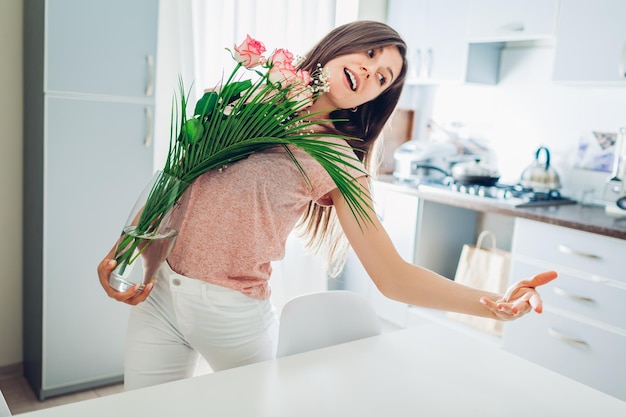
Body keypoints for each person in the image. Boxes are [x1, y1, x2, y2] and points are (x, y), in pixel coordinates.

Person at [98, 20, 557, 390]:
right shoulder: (250, 97)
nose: (371, 71)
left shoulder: (336, 159)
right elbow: (178, 178)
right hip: (159, 295)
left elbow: (393, 277)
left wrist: (493, 303)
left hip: (230, 312)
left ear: (374, 99)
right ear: (341, 45)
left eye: (383, 78)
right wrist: (126, 246)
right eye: (371, 53)